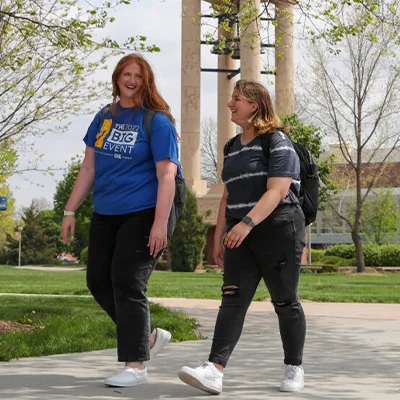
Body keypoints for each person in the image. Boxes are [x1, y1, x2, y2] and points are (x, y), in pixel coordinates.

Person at [178, 79, 306, 394]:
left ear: (254, 105)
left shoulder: (277, 141)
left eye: (236, 99)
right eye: (231, 98)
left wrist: (246, 223)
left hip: (278, 229)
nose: (229, 104)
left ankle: (294, 367)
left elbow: (277, 191)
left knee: (285, 301)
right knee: (232, 300)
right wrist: (222, 231)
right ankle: (214, 370)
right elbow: (228, 193)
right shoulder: (231, 147)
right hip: (240, 232)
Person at [61, 53, 181, 388]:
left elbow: (167, 175)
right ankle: (149, 336)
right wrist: (70, 210)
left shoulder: (156, 121)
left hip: (144, 209)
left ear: (147, 82)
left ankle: (135, 365)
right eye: (126, 74)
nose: (131, 81)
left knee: (128, 281)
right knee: (98, 281)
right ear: (117, 78)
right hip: (106, 210)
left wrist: (160, 224)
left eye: (138, 76)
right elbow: (89, 168)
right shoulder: (103, 117)